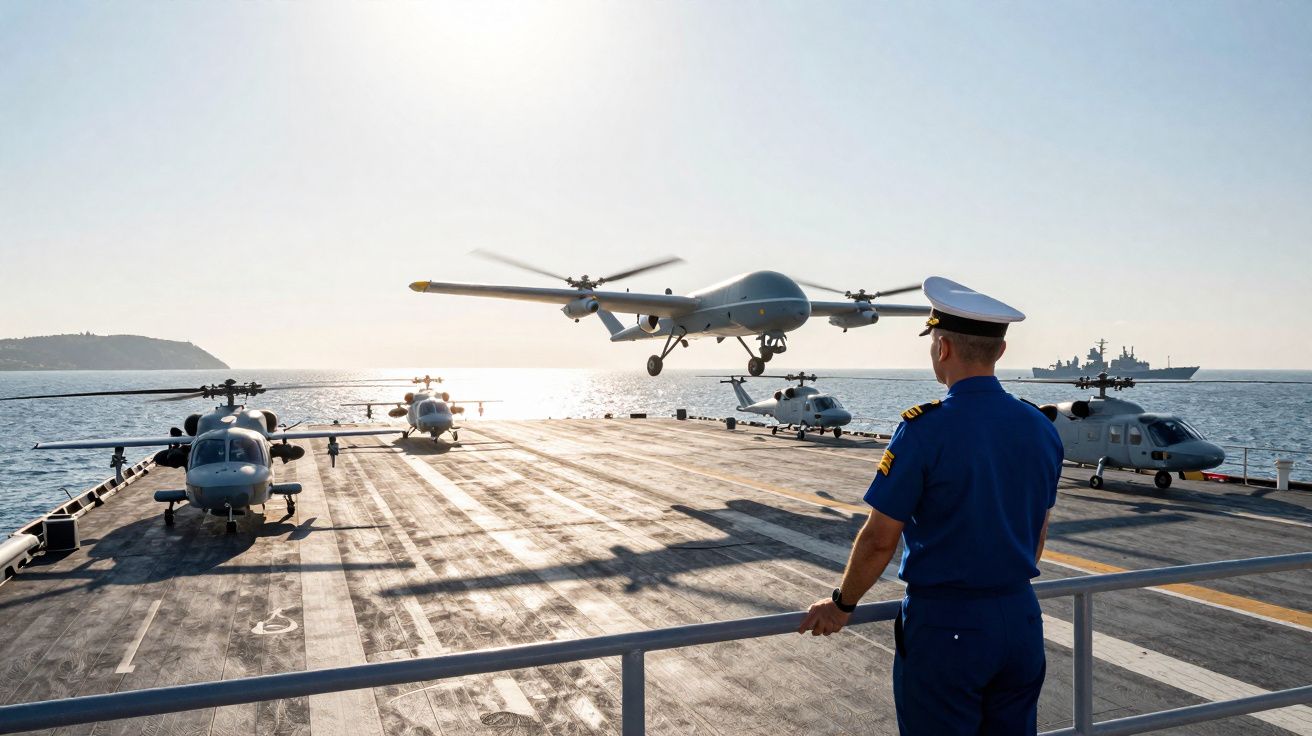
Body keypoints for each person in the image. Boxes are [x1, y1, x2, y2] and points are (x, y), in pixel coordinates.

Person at [797, 276, 1064, 736]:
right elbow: (1037, 532)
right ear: (999, 352)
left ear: (942, 348)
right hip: (1021, 620)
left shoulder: (924, 430)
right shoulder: (1040, 427)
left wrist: (842, 604)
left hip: (948, 629)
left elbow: (880, 540)